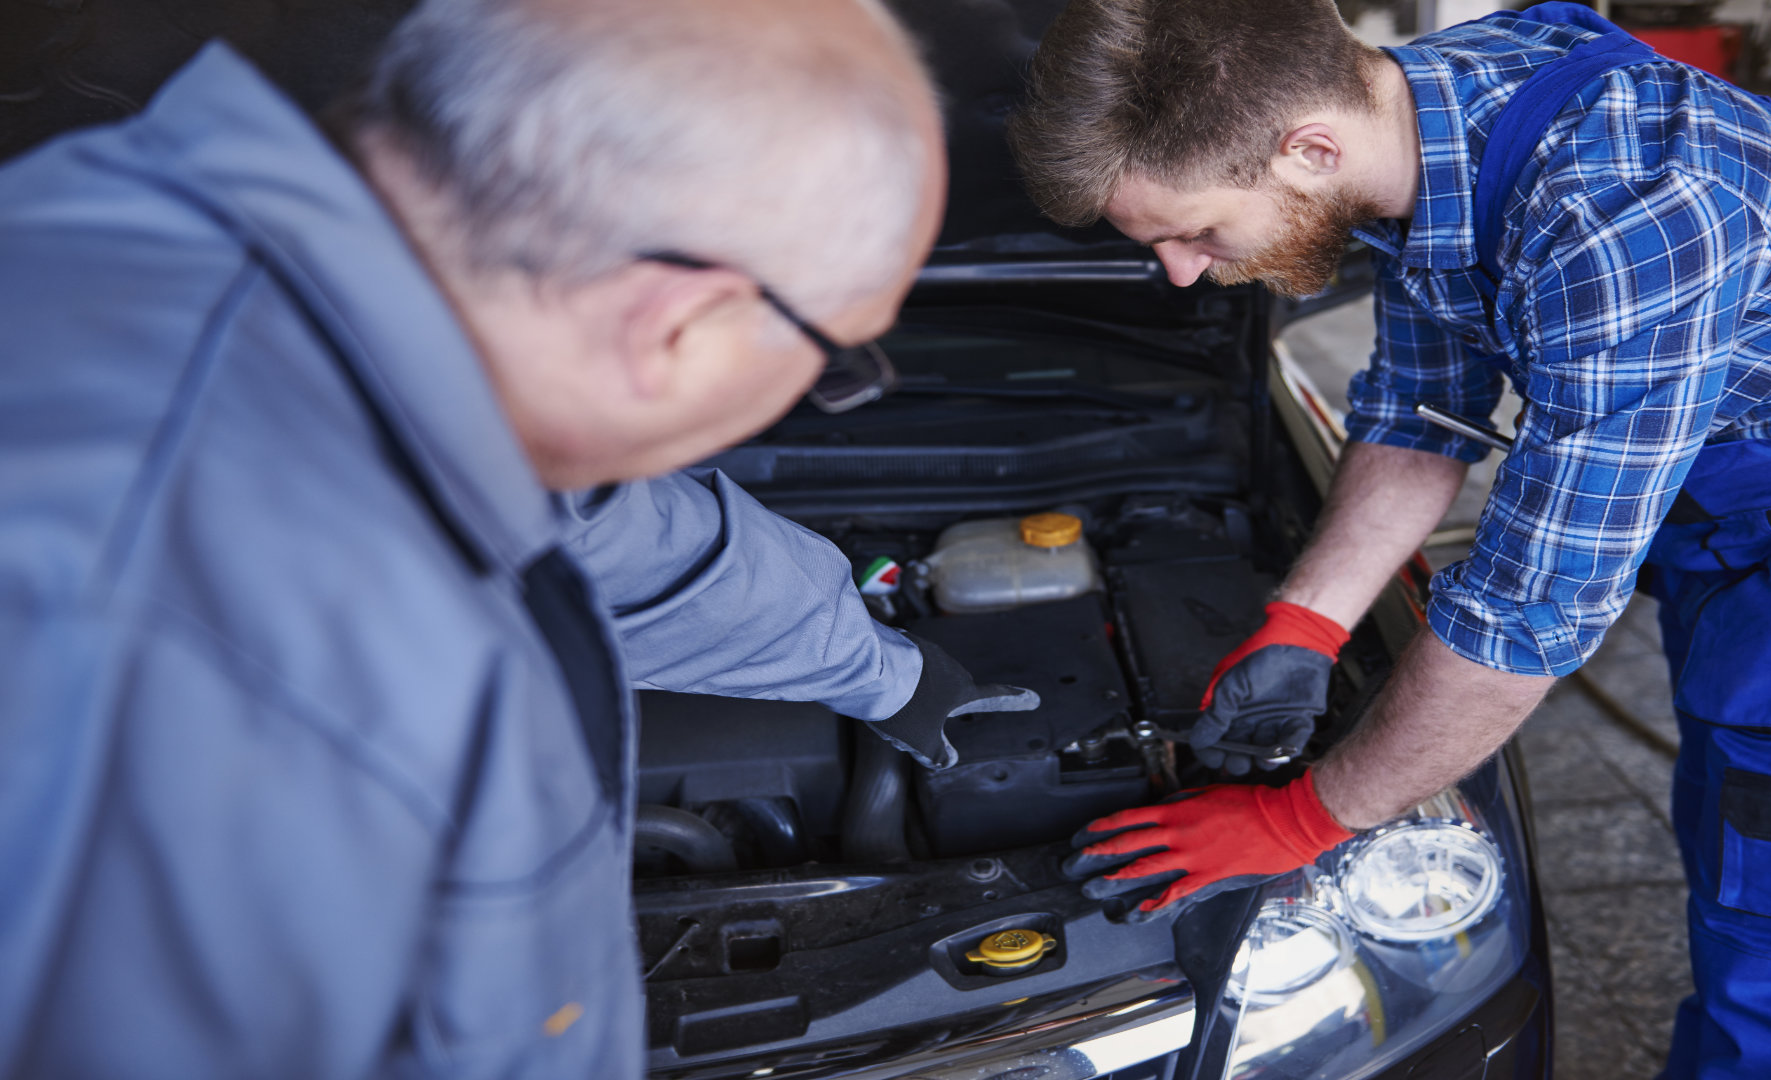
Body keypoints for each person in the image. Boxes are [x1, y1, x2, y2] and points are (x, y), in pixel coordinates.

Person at [0, 0, 1039, 1074]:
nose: (823, 388)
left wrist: (880, 669)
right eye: (839, 361)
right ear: (677, 322)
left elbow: (622, 544)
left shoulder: (177, 254)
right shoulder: (218, 670)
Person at [1009, 1, 1771, 1077]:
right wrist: (1306, 620)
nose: (1180, 273)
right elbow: (1420, 412)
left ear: (1310, 148)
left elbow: (1528, 620)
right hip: (1735, 500)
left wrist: (1301, 823)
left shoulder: (1626, 215)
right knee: (1742, 840)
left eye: (1198, 231)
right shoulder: (1414, 116)